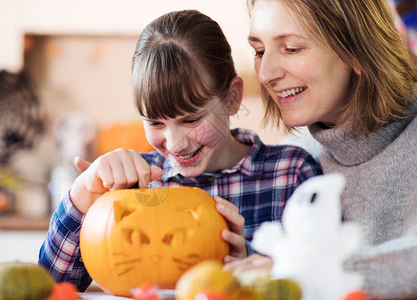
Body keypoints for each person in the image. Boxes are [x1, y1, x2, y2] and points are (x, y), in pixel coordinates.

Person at [38, 9, 322, 292]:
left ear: (232, 98)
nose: (175, 144)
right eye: (155, 122)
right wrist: (84, 194)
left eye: (192, 119)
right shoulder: (131, 187)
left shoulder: (291, 174)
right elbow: (49, 289)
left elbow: (325, 281)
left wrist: (256, 270)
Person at [226, 0, 417, 298]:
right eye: (259, 51)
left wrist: (306, 271)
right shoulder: (293, 160)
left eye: (291, 48)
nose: (265, 74)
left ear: (356, 50)